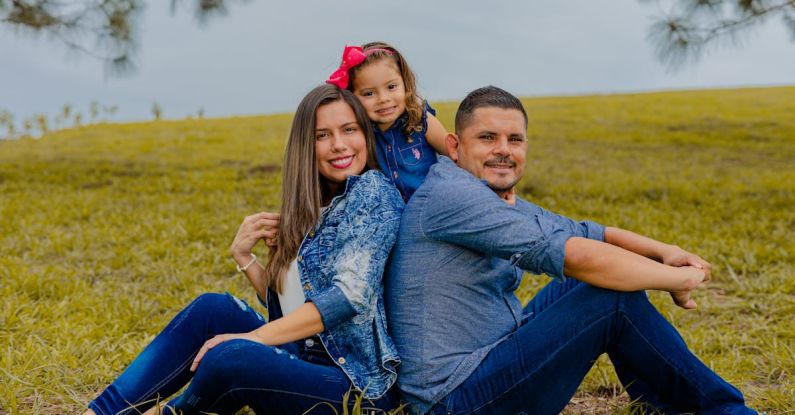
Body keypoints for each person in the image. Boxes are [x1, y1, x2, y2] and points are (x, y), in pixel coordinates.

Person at [385, 86, 758, 415]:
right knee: (611, 299)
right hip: (455, 399)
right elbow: (577, 257)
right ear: (454, 145)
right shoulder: (455, 198)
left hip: (486, 361)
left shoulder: (483, 193)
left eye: (514, 139)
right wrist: (678, 278)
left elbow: (586, 233)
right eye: (487, 137)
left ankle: (659, 405)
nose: (503, 150)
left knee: (596, 285)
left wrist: (666, 251)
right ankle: (726, 409)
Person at [85, 84, 405, 415]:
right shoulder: (318, 205)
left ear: (365, 134)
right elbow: (293, 305)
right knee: (213, 309)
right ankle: (102, 412)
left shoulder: (372, 192)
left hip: (354, 386)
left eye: (349, 129)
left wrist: (256, 338)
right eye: (322, 135)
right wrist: (246, 259)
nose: (338, 144)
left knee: (234, 355)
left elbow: (350, 296)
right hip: (303, 355)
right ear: (305, 147)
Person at [326, 41, 448, 201]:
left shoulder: (421, 121)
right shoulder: (359, 137)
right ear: (352, 97)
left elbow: (457, 156)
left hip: (433, 205)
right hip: (388, 216)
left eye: (391, 87)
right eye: (369, 93)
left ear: (405, 84)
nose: (383, 99)